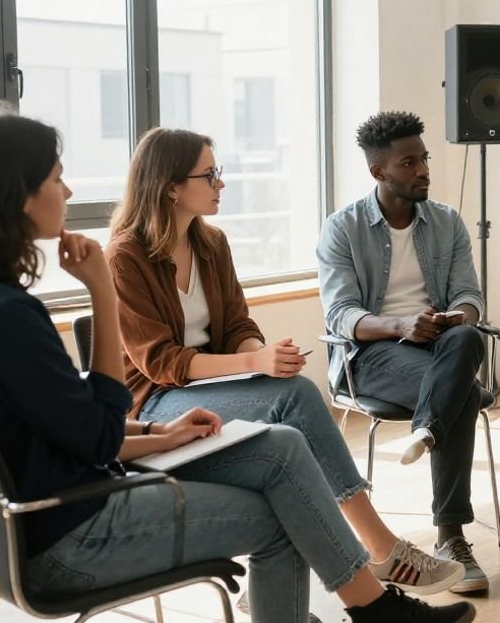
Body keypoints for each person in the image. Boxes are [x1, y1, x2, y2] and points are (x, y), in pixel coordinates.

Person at [0, 113, 477, 623]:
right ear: (15, 195)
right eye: (57, 177)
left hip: (6, 536)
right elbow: (104, 424)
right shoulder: (12, 315)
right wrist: (103, 295)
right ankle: (377, 598)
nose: (70, 189)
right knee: (285, 502)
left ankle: (375, 605)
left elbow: (63, 425)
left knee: (282, 447)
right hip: (68, 535)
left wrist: (164, 431)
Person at [106, 127, 460, 595]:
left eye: (219, 172)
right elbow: (161, 364)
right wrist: (255, 366)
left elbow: (236, 326)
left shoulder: (212, 245)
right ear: (171, 186)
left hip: (210, 388)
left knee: (291, 404)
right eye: (209, 174)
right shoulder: (125, 256)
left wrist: (261, 355)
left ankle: (351, 564)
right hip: (155, 405)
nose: (221, 184)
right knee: (293, 402)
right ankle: (382, 549)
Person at [317, 111, 490, 594]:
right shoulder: (342, 229)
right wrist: (399, 325)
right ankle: (451, 537)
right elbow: (341, 315)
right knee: (467, 396)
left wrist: (454, 319)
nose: (423, 170)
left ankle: (428, 430)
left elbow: (469, 296)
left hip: (441, 348)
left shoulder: (447, 222)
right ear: (379, 172)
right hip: (369, 356)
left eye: (425, 158)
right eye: (409, 162)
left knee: (468, 337)